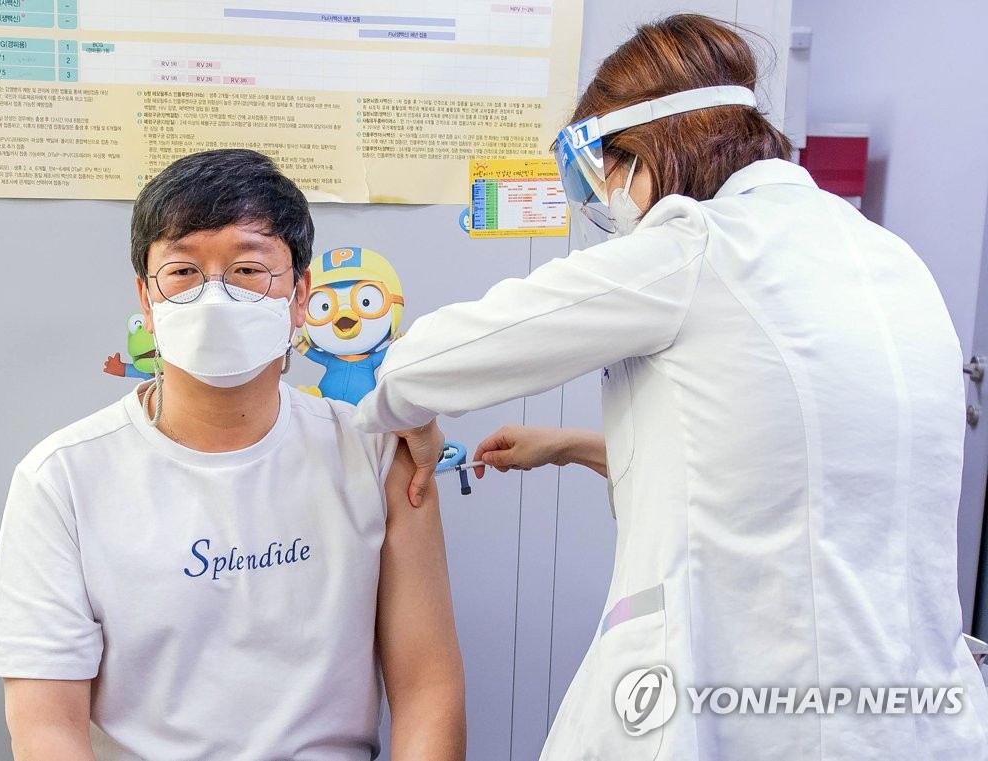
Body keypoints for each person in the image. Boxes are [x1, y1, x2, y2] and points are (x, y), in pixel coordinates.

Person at [354, 13, 988, 760]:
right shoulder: (888, 261)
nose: (606, 200)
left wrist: (411, 414)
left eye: (602, 172)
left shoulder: (695, 247)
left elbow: (426, 361)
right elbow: (794, 474)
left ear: (648, 147)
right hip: (910, 712)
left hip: (735, 708)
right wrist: (576, 446)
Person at [0, 149, 466, 761]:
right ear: (147, 300)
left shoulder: (376, 453)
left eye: (247, 269)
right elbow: (46, 727)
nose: (215, 296)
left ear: (299, 295)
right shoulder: (62, 479)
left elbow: (429, 686)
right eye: (182, 271)